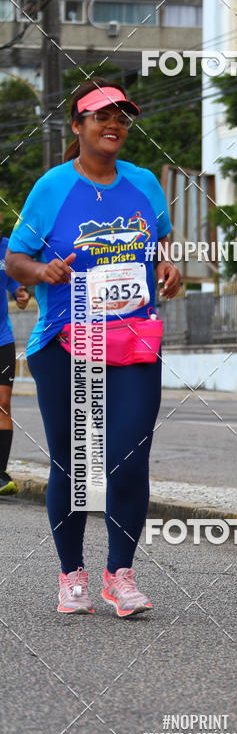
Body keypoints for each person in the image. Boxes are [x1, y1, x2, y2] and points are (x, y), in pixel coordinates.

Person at [6, 78, 181, 616]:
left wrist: (169, 269)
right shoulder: (53, 187)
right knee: (76, 463)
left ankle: (119, 575)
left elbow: (160, 249)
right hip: (65, 342)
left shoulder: (146, 184)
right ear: (78, 125)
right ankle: (71, 575)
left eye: (122, 117)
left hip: (132, 341)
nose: (115, 124)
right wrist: (42, 269)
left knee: (129, 458)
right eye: (102, 115)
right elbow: (15, 260)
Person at [0, 225, 30, 494]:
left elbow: (16, 283)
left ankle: (0, 474)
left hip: (2, 338)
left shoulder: (7, 247)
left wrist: (20, 294)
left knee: (3, 403)